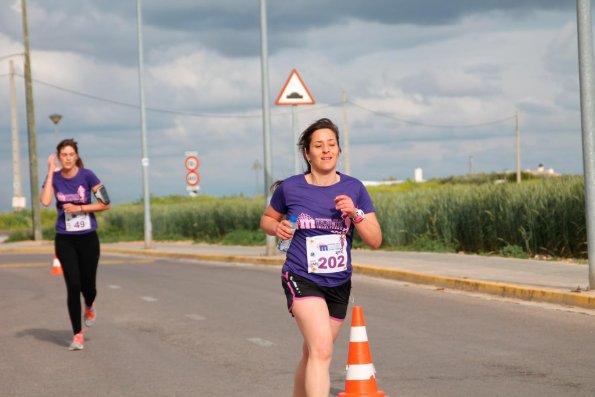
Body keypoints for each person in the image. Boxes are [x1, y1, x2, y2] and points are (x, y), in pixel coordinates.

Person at [260, 118, 382, 397]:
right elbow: (267, 219)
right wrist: (276, 227)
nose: (326, 150)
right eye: (319, 145)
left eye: (331, 144)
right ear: (307, 153)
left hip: (339, 282)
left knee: (313, 352)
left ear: (339, 150)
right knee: (322, 349)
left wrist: (355, 213)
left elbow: (375, 239)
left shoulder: (355, 188)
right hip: (301, 276)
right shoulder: (290, 188)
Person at [40, 139, 111, 351]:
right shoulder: (54, 177)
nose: (68, 158)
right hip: (65, 238)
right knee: (73, 286)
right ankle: (77, 334)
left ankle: (90, 305)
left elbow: (105, 203)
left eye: (71, 154)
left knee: (88, 286)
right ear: (59, 157)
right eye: (64, 155)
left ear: (76, 156)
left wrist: (80, 209)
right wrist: (51, 172)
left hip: (88, 237)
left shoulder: (87, 175)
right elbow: (44, 201)